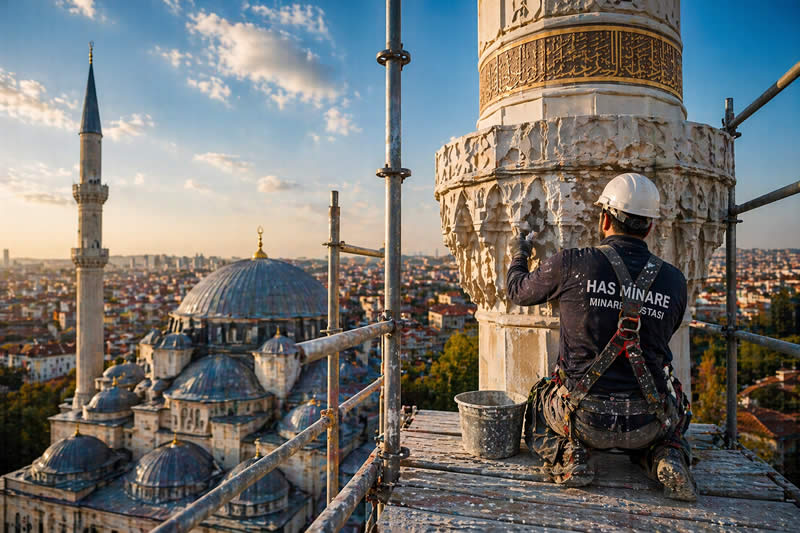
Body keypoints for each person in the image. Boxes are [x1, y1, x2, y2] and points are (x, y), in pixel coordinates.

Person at [506, 172, 696, 501]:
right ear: (650, 226)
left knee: (539, 398)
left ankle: (569, 455)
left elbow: (518, 291)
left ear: (604, 218)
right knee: (676, 411)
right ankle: (666, 455)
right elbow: (666, 331)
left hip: (582, 418)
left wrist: (519, 254)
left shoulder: (572, 263)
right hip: (646, 421)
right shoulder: (674, 281)